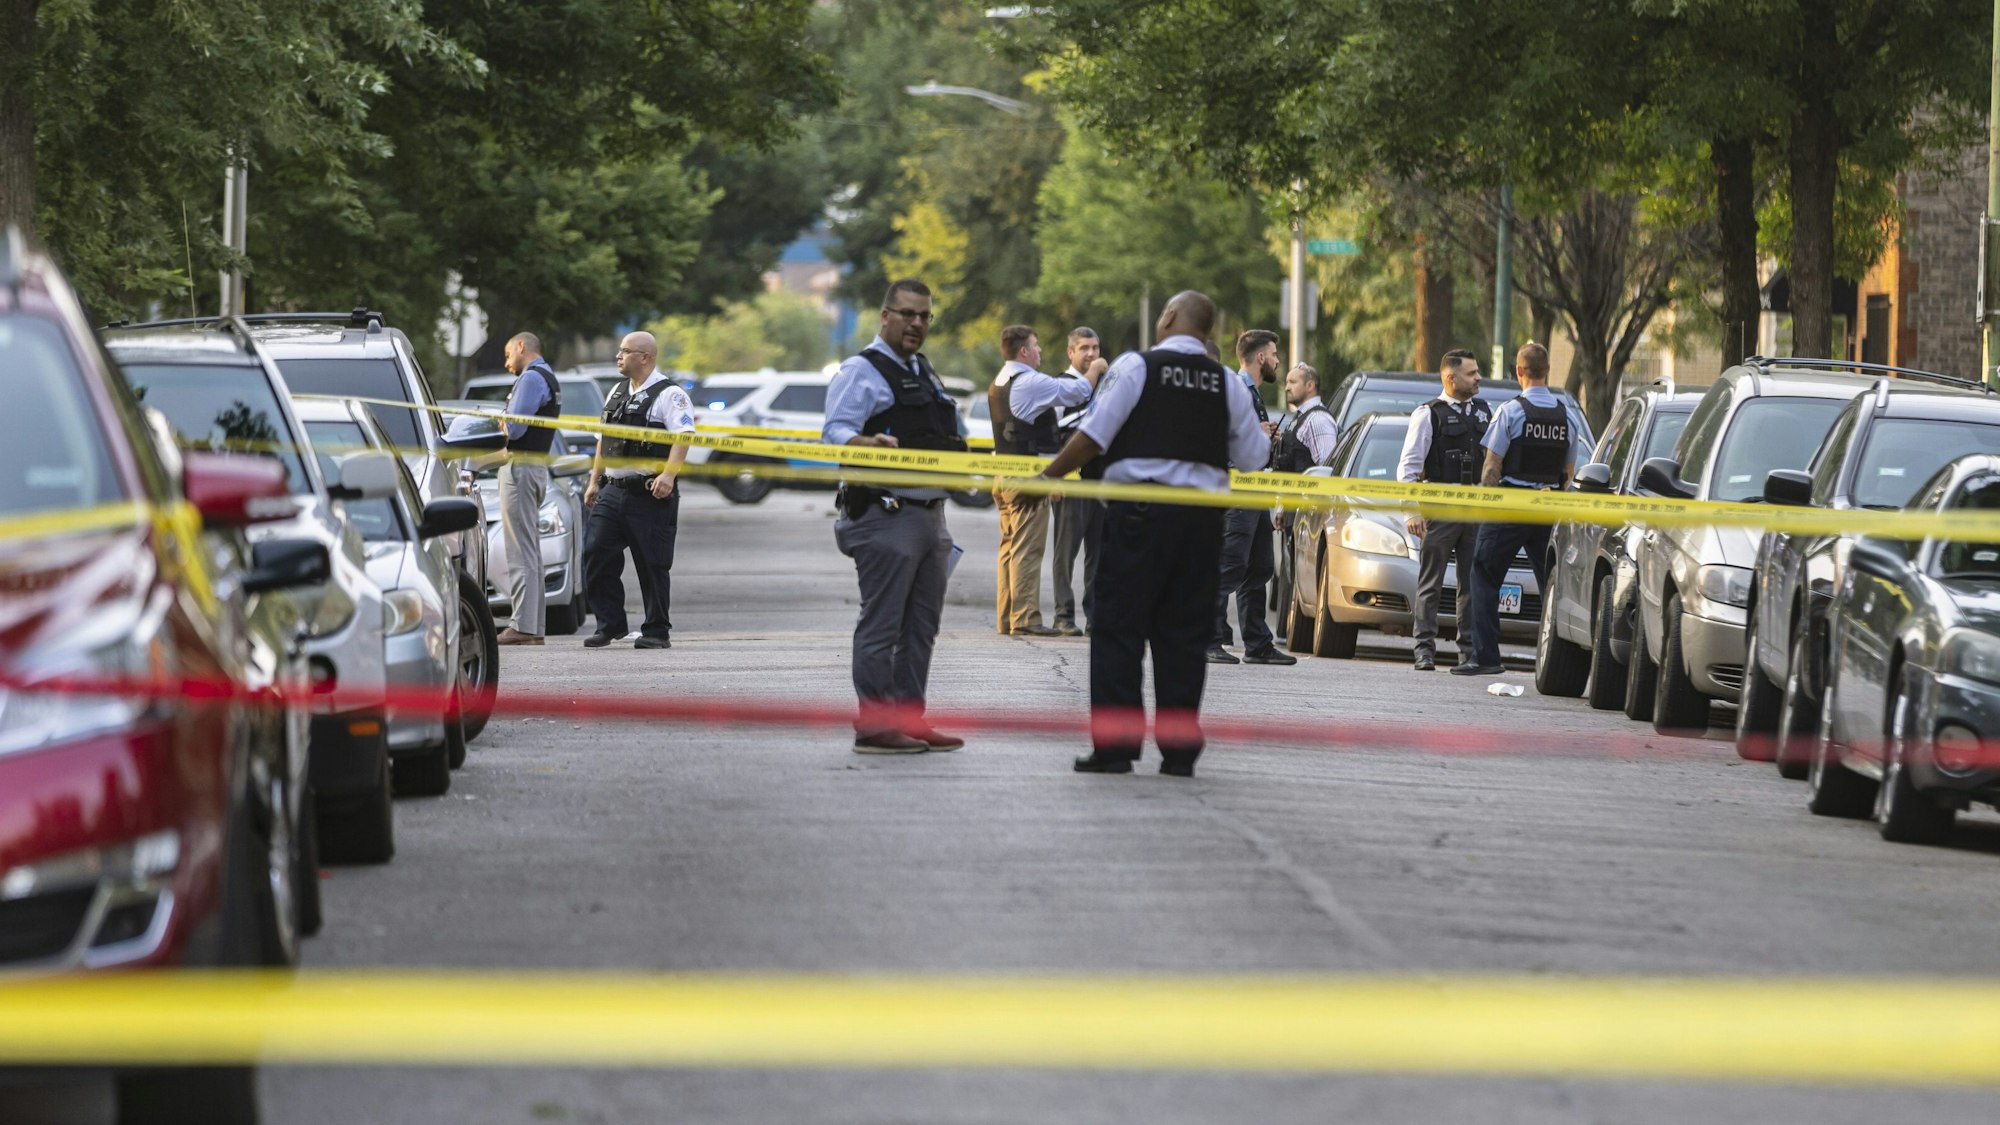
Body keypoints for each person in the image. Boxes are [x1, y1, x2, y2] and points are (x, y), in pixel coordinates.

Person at [1040, 290, 1269, 779]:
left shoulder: (1136, 367)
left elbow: (1093, 435)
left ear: (1168, 317)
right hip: (1199, 524)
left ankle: (1116, 749)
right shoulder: (1226, 383)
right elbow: (1254, 458)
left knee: (1118, 630)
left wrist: (1046, 477)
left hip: (1138, 519)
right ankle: (1179, 754)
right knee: (1184, 635)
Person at [823, 279, 968, 755]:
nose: (917, 323)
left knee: (921, 628)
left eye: (925, 316)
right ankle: (875, 726)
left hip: (930, 516)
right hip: (885, 514)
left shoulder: (922, 370)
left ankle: (908, 719)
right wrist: (868, 443)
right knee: (882, 625)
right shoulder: (861, 370)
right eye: (907, 314)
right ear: (885, 316)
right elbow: (835, 433)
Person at [1454, 341, 1593, 677]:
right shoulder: (1567, 417)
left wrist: (1487, 506)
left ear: (1519, 371)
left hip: (1510, 507)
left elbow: (1492, 468)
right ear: (1548, 371)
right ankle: (1560, 664)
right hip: (1548, 507)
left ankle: (1486, 658)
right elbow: (1569, 473)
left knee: (1484, 575)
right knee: (1552, 585)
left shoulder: (1510, 412)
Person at [581, 331, 694, 650]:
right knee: (595, 554)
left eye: (625, 351)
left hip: (650, 494)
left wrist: (669, 476)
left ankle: (656, 630)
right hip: (613, 490)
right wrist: (594, 481)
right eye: (619, 350)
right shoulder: (617, 391)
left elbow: (683, 436)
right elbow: (603, 439)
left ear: (645, 357)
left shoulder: (670, 394)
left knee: (652, 563)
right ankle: (609, 624)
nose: (618, 356)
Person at [990, 325, 1101, 635]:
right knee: (1028, 548)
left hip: (1004, 473)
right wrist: (1098, 369)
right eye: (1035, 345)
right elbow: (1080, 391)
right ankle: (1026, 618)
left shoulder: (1001, 380)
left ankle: (1007, 617)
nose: (1039, 351)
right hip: (1026, 476)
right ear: (1024, 351)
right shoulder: (1030, 381)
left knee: (1010, 547)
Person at [1396, 348, 1492, 672]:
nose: (1478, 378)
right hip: (1440, 508)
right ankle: (1424, 649)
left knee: (1472, 585)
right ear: (1451, 378)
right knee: (1431, 583)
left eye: (1477, 372)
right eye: (1471, 373)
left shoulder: (1485, 412)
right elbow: (1408, 468)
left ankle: (1469, 652)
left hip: (1475, 510)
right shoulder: (1429, 414)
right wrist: (1411, 512)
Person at [1208, 328, 1293, 666]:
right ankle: (1208, 639)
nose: (1277, 361)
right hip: (1238, 490)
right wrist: (1254, 433)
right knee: (1229, 565)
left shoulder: (1251, 393)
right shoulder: (1235, 390)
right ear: (1260, 357)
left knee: (1260, 567)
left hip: (1256, 490)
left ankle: (1257, 644)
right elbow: (1215, 433)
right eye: (1273, 355)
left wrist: (1264, 437)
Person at [495, 331, 562, 646]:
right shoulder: (548, 377)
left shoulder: (531, 378)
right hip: (534, 467)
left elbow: (515, 427)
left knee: (520, 551)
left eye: (508, 354)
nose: (507, 363)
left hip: (520, 468)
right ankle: (532, 627)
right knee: (530, 551)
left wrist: (501, 420)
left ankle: (522, 626)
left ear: (522, 347)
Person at [1049, 327, 1106, 636]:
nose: (1091, 354)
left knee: (1099, 556)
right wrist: (1054, 479)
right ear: (1070, 352)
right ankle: (1063, 615)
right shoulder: (1061, 386)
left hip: (1101, 483)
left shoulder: (1106, 387)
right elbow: (1051, 436)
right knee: (1065, 554)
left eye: (1095, 348)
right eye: (1084, 348)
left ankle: (1095, 617)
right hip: (1070, 483)